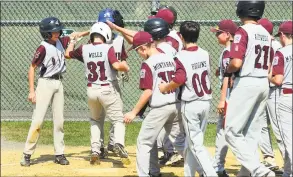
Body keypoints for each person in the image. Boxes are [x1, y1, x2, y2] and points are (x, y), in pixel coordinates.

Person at [20, 17, 88, 167]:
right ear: (46, 33)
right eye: (54, 32)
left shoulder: (60, 42)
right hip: (45, 83)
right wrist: (32, 91)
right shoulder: (43, 48)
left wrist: (91, 30)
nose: (57, 33)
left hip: (59, 83)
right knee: (38, 120)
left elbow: (75, 35)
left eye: (58, 31)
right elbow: (32, 68)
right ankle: (27, 154)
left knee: (59, 121)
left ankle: (59, 153)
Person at [64, 22, 130, 165]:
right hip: (107, 88)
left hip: (91, 89)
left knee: (95, 120)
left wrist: (72, 41)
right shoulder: (108, 48)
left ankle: (95, 150)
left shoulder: (84, 48)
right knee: (118, 120)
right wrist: (125, 66)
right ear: (106, 34)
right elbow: (117, 65)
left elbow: (67, 54)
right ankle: (118, 143)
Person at [159, 20, 217, 177]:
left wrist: (165, 87)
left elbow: (179, 79)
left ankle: (212, 173)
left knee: (196, 145)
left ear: (181, 37)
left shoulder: (181, 56)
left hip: (190, 104)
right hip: (205, 102)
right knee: (192, 144)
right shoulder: (205, 53)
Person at [224, 1, 274, 176]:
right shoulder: (266, 33)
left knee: (231, 132)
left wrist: (227, 70)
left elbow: (236, 62)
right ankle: (247, 174)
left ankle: (260, 171)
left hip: (247, 82)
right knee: (251, 134)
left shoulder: (243, 30)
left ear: (243, 9)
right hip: (263, 82)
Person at [123, 31, 182, 177]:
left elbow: (148, 92)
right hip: (176, 105)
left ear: (144, 48)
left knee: (144, 142)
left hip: (160, 107)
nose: (138, 54)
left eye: (137, 50)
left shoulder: (148, 63)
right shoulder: (170, 58)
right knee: (180, 142)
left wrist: (133, 112)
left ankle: (144, 174)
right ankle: (203, 169)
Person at [96, 8, 129, 159]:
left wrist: (124, 67)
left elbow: (122, 57)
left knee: (117, 114)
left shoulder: (119, 39)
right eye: (105, 23)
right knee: (99, 116)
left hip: (114, 81)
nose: (108, 26)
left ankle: (113, 143)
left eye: (110, 23)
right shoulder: (95, 40)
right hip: (99, 83)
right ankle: (99, 146)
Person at [210, 19, 238, 177]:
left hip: (229, 96)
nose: (216, 35)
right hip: (230, 95)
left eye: (219, 33)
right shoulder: (230, 50)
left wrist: (223, 100)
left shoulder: (229, 52)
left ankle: (218, 167)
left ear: (228, 35)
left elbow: (230, 78)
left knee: (223, 131)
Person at [258, 17, 283, 171]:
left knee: (278, 126)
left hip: (273, 89)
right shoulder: (271, 44)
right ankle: (269, 158)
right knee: (261, 125)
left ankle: (288, 159)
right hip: (264, 88)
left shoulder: (275, 45)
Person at [269, 20, 292, 177]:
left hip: (285, 96)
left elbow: (277, 80)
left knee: (287, 139)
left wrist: (267, 75)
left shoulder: (282, 53)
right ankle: (288, 172)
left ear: (283, 35)